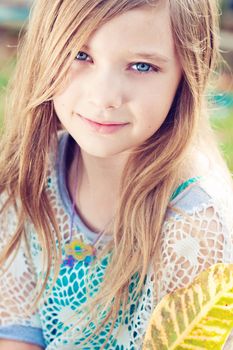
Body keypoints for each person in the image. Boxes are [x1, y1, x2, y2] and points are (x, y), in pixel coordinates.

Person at [0, 0, 233, 349]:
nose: (105, 96)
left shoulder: (197, 226)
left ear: (187, 73)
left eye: (142, 65)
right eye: (80, 55)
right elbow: (18, 334)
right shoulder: (35, 172)